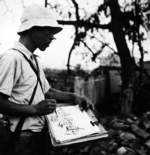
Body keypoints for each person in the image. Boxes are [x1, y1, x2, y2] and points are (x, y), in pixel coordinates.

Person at [0, 4, 94, 155]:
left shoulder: (33, 60)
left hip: (39, 137)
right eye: (48, 30)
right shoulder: (12, 58)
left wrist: (73, 96)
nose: (52, 36)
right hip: (21, 140)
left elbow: (47, 91)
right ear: (32, 28)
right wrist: (35, 109)